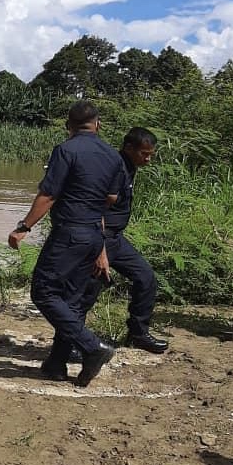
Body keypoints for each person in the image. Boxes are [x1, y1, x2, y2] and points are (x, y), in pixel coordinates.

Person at [8, 100, 124, 387]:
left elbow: (49, 194)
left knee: (44, 292)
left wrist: (24, 227)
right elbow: (111, 199)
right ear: (98, 124)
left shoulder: (65, 150)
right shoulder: (112, 155)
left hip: (69, 234)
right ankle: (56, 365)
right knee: (71, 301)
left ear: (69, 126)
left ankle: (92, 347)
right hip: (94, 233)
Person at [74, 127, 168, 355]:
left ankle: (138, 333)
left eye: (150, 155)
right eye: (144, 154)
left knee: (146, 278)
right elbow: (96, 209)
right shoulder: (114, 168)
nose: (147, 159)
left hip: (116, 239)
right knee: (87, 293)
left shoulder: (129, 167)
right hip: (100, 239)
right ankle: (71, 343)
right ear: (128, 148)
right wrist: (100, 250)